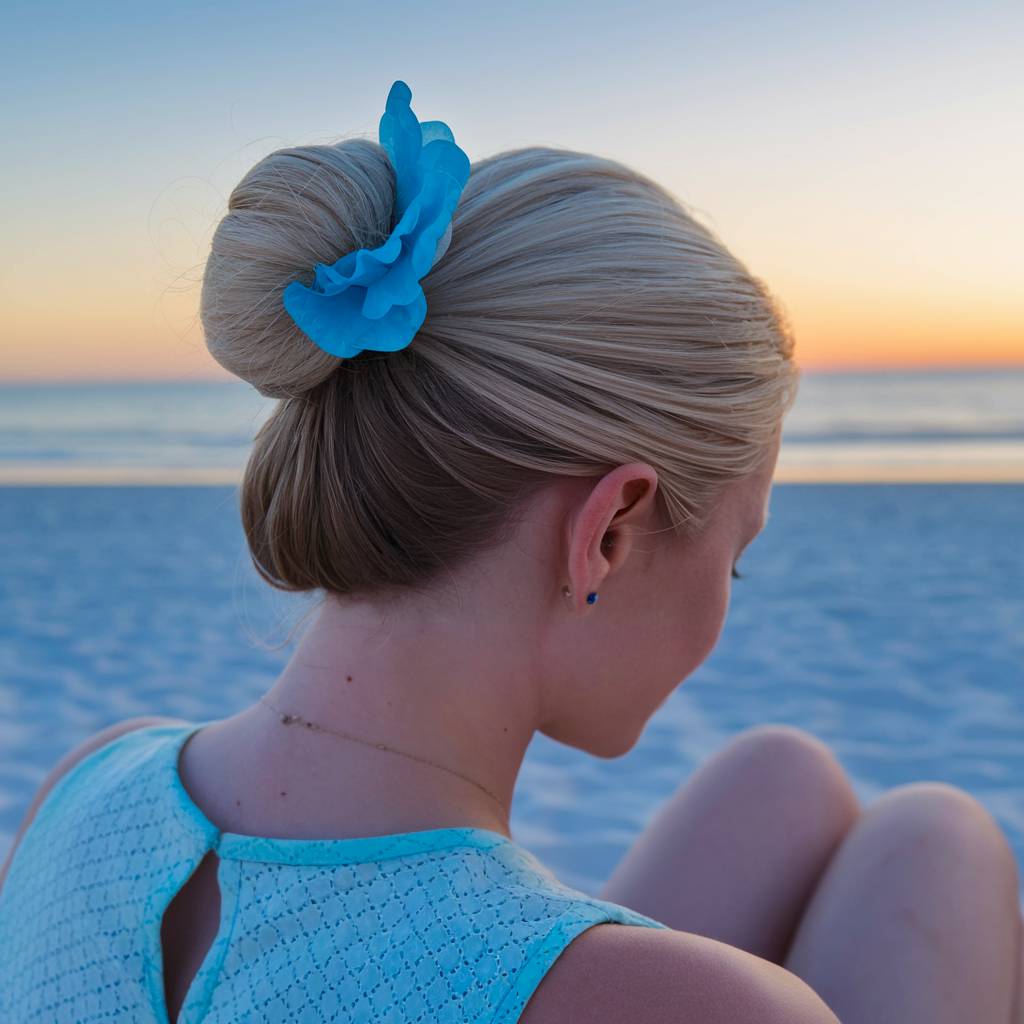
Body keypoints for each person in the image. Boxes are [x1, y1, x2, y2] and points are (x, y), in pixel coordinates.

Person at [1, 80, 1021, 1023]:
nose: (725, 598)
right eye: (733, 557)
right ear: (609, 532)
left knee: (782, 774)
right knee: (941, 838)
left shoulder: (89, 780)